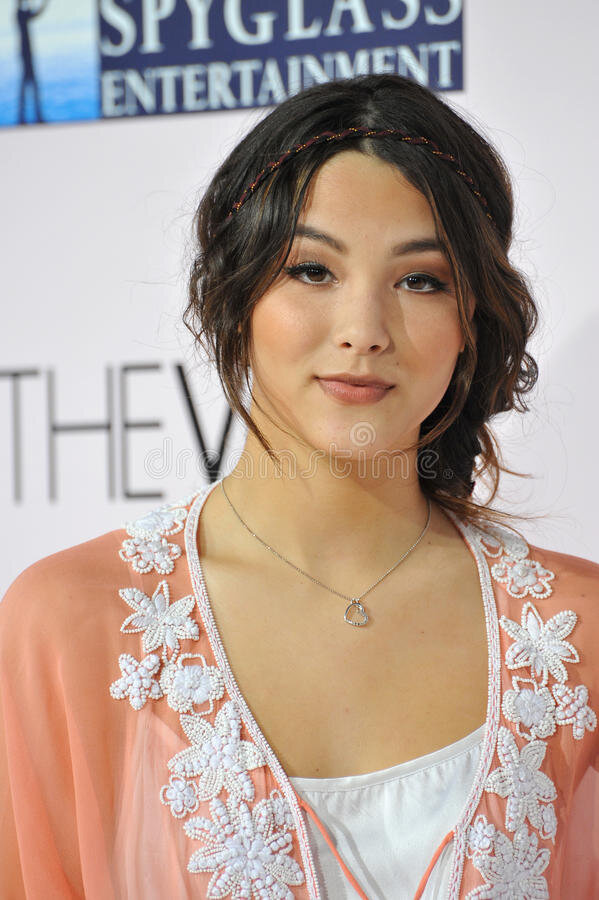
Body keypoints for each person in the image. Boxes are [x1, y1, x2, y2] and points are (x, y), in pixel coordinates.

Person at [1, 74, 597, 899]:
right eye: (312, 270)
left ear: (470, 321)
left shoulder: (575, 633)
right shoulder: (71, 623)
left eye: (420, 280)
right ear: (236, 294)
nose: (363, 330)